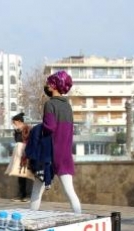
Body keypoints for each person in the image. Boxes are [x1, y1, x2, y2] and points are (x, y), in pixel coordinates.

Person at [30, 71, 81, 214]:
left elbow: (50, 127)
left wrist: (36, 129)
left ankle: (29, 222)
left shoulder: (50, 104)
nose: (46, 85)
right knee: (70, 192)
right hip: (64, 154)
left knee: (36, 192)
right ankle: (80, 219)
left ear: (54, 85)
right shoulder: (68, 106)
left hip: (49, 155)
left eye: (48, 83)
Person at [10, 112, 31, 202]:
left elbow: (26, 140)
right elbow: (17, 141)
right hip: (20, 154)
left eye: (14, 122)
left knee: (26, 175)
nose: (14, 124)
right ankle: (21, 195)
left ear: (19, 121)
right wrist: (17, 131)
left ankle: (27, 195)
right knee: (20, 175)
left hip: (26, 154)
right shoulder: (18, 130)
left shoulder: (27, 129)